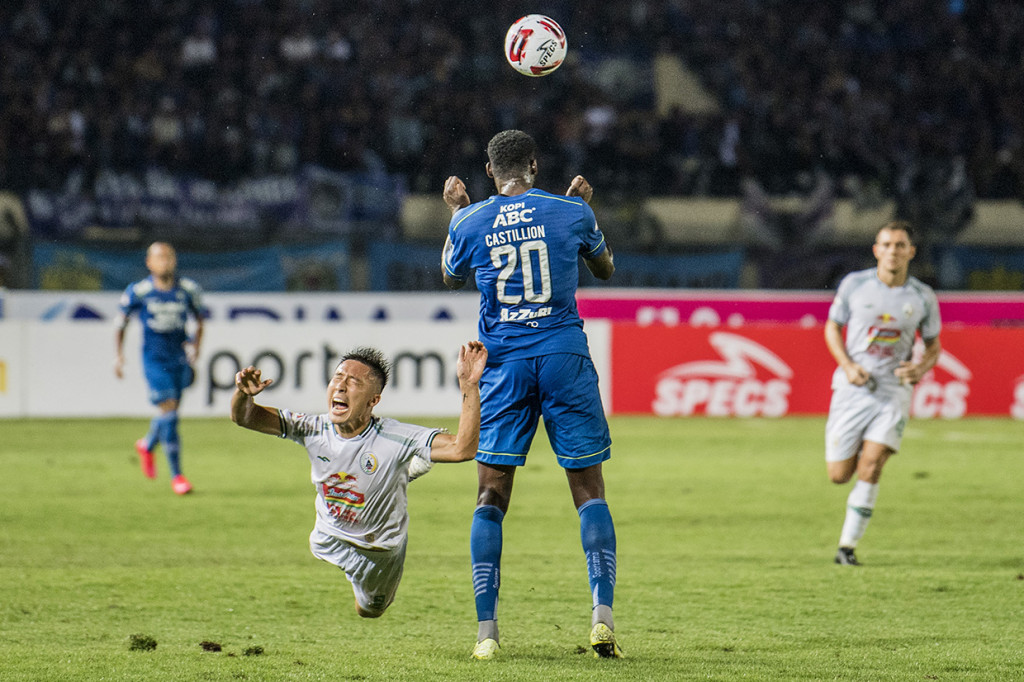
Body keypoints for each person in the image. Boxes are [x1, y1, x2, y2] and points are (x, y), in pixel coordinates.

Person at [440, 129, 621, 659]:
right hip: (565, 356)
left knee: (490, 495)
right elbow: (605, 269)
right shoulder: (570, 211)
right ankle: (602, 617)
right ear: (535, 167)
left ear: (490, 171)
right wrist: (581, 207)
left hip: (505, 365)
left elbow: (452, 277)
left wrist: (458, 213)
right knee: (589, 490)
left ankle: (487, 635)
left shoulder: (471, 221)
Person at [230, 341, 488, 617]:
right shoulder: (312, 427)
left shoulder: (395, 436)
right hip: (329, 536)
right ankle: (405, 471)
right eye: (337, 378)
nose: (340, 386)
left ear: (373, 400)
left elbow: (463, 449)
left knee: (369, 611)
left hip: (378, 549)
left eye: (353, 382)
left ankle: (400, 472)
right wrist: (243, 394)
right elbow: (245, 417)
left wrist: (469, 386)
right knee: (374, 477)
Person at [823, 221, 942, 565]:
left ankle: (846, 547)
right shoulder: (854, 285)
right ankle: (859, 449)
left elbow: (934, 346)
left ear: (910, 252)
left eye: (900, 245)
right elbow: (832, 327)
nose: (893, 251)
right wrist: (846, 365)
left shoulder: (922, 296)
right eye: (887, 244)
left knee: (872, 465)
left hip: (893, 390)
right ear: (876, 250)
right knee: (838, 475)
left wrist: (920, 368)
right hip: (853, 387)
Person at [115, 242, 204, 495]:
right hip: (154, 361)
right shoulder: (139, 291)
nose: (164, 261)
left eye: (168, 256)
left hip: (179, 360)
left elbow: (199, 320)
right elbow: (120, 323)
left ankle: (147, 444)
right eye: (159, 257)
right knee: (170, 414)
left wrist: (196, 347)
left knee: (170, 414)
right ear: (149, 262)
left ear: (174, 261)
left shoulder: (188, 290)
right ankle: (177, 476)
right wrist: (119, 356)